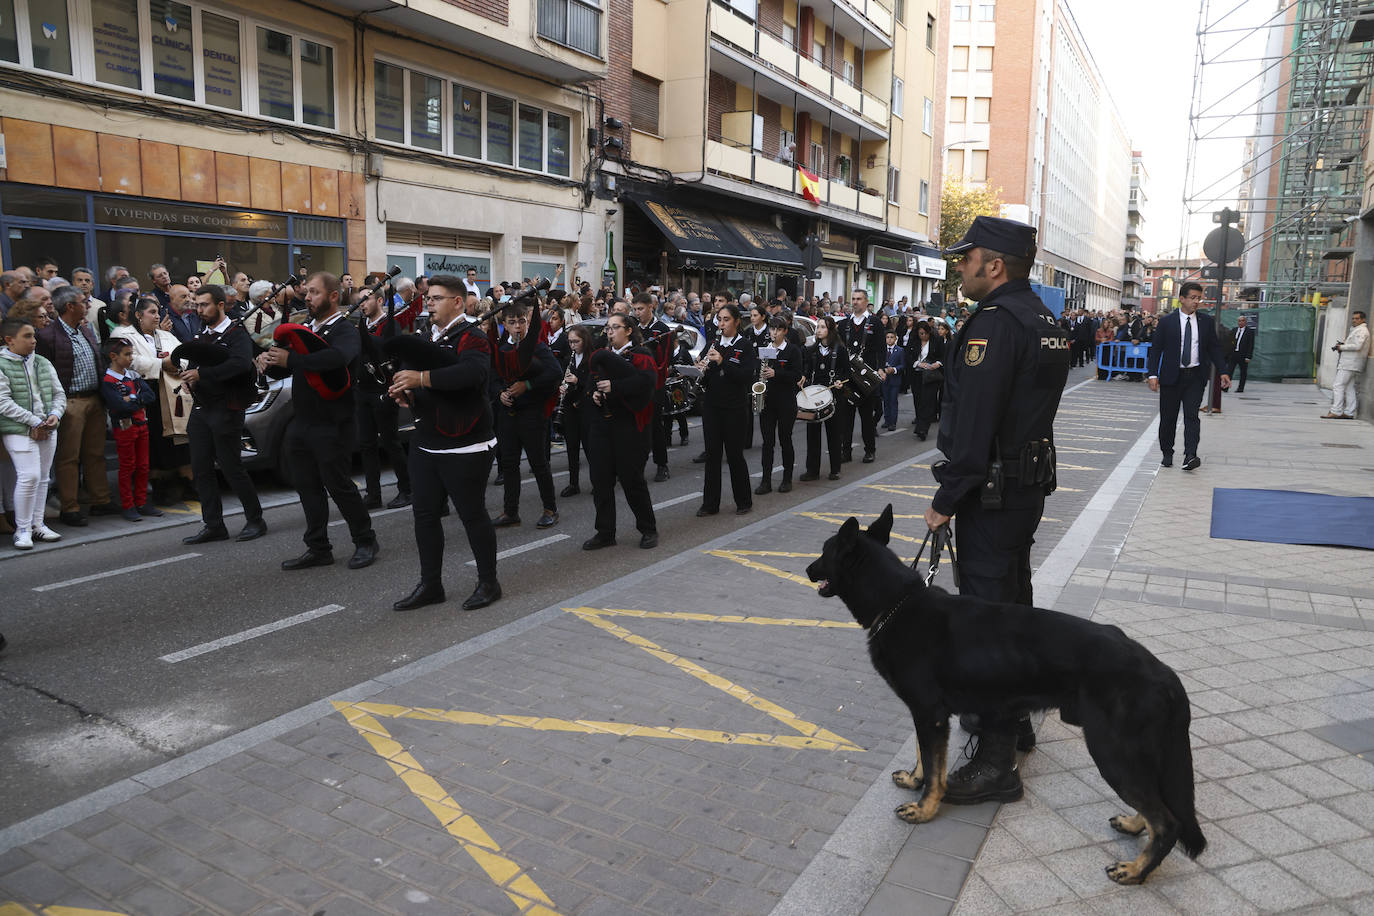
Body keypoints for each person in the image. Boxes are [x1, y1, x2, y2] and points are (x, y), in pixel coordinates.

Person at [924, 215, 1071, 805]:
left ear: (996, 265)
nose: (960, 265)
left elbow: (977, 425)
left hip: (992, 492)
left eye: (968, 257)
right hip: (1024, 489)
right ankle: (1016, 720)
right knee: (1014, 608)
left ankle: (994, 763)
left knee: (986, 625)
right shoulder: (1043, 318)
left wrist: (944, 500)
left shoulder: (995, 325)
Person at [386, 274, 501, 611]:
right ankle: (431, 584)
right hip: (427, 440)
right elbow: (409, 369)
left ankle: (488, 582)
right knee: (424, 515)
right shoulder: (426, 336)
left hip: (466, 443)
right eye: (427, 298)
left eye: (436, 298)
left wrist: (422, 378)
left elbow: (472, 375)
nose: (429, 304)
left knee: (472, 515)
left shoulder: (473, 337)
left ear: (457, 301)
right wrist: (405, 390)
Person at [258, 272, 378, 569]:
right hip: (302, 422)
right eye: (306, 292)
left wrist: (292, 360)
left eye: (314, 292)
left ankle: (365, 540)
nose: (307, 297)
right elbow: (287, 369)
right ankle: (318, 547)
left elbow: (337, 359)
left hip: (333, 422)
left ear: (333, 296)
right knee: (307, 486)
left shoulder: (345, 329)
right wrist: (269, 364)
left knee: (338, 485)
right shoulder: (305, 329)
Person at [179, 285, 266, 543]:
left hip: (227, 408)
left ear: (220, 305)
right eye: (196, 305)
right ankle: (213, 524)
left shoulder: (236, 333)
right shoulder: (202, 334)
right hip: (202, 409)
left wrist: (201, 375)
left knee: (231, 466)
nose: (199, 310)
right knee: (201, 467)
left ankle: (255, 520)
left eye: (204, 305)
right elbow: (196, 362)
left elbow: (239, 364)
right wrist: (189, 378)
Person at [36, 287, 114, 526]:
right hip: (69, 402)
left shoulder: (85, 329)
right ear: (70, 306)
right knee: (69, 458)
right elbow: (44, 374)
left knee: (95, 454)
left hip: (93, 399)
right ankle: (70, 507)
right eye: (82, 302)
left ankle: (101, 500)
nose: (87, 305)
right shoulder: (48, 335)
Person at [582, 314, 659, 549]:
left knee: (632, 480)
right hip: (602, 425)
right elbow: (590, 383)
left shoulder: (641, 355)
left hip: (628, 426)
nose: (610, 331)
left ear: (628, 331)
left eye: (615, 327)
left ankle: (648, 529)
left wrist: (614, 388)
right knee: (601, 481)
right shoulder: (602, 355)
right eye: (608, 328)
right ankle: (605, 532)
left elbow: (646, 384)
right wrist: (593, 393)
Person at [113, 297, 192, 504]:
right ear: (138, 315)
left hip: (172, 391)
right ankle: (160, 488)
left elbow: (183, 355)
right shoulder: (122, 334)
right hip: (146, 393)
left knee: (178, 440)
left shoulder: (166, 335)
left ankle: (185, 483)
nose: (157, 316)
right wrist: (161, 364)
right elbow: (131, 360)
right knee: (155, 443)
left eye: (158, 312)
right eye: (152, 312)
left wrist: (175, 364)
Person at [489, 303, 561, 529]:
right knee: (509, 464)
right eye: (512, 322)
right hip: (508, 416)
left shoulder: (537, 347)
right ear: (505, 325)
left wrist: (527, 385)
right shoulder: (501, 349)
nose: (518, 327)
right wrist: (500, 393)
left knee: (539, 463)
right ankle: (511, 511)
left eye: (522, 321)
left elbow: (554, 373)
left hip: (532, 413)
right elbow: (491, 379)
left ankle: (550, 508)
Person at [1147, 282, 1230, 470]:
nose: (1196, 302)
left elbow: (1214, 348)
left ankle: (1190, 455)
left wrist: (1223, 370)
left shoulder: (1206, 322)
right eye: (1192, 298)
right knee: (1168, 418)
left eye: (1198, 298)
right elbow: (1156, 350)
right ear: (1182, 299)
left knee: (1192, 416)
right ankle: (1167, 453)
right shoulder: (1167, 322)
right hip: (1170, 378)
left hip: (1195, 377)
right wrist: (1152, 374)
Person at [0, 317, 65, 549]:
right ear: (9, 340)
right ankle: (23, 529)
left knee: (43, 476)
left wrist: (55, 414)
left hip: (47, 427)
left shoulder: (42, 362)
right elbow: (3, 402)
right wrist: (35, 421)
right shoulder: (1, 363)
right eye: (27, 336)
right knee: (30, 476)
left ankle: (37, 525)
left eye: (33, 335)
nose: (33, 340)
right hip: (18, 429)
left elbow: (59, 394)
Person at [695, 303, 755, 516]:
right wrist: (698, 367)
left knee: (734, 455)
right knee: (712, 456)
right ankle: (710, 504)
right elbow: (703, 367)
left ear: (737, 321)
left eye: (726, 319)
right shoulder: (713, 342)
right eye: (719, 319)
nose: (721, 324)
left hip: (734, 407)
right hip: (712, 405)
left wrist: (722, 362)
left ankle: (744, 501)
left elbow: (746, 377)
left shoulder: (745, 345)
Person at [355, 288, 411, 510]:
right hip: (363, 391)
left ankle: (407, 489)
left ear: (379, 300)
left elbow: (388, 351)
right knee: (366, 444)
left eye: (366, 299)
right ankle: (373, 493)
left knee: (390, 442)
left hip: (384, 389)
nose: (361, 304)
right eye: (358, 301)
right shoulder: (362, 326)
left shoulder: (389, 324)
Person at [100, 338, 160, 522]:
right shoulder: (108, 380)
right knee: (127, 466)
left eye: (131, 353)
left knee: (143, 465)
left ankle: (141, 502)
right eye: (127, 354)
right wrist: (136, 400)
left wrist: (132, 399)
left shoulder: (133, 375)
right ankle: (128, 505)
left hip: (142, 425)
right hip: (124, 427)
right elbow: (118, 405)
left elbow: (150, 396)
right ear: (113, 356)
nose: (130, 357)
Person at [755, 316, 802, 494]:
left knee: (785, 440)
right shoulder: (765, 350)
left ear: (785, 331)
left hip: (786, 401)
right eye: (772, 329)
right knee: (767, 443)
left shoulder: (792, 351)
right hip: (767, 401)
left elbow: (797, 375)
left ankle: (787, 479)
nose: (774, 333)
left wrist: (777, 373)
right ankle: (766, 481)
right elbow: (757, 372)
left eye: (778, 330)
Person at [630, 293, 674, 481]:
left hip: (654, 384)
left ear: (650, 307)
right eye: (635, 309)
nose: (638, 313)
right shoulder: (631, 329)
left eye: (641, 309)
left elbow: (665, 359)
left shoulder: (662, 329)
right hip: (635, 384)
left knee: (655, 426)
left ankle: (661, 464)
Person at [800, 315, 850, 482]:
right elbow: (806, 371)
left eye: (822, 327)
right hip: (814, 397)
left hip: (833, 397)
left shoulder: (840, 350)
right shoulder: (811, 350)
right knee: (812, 435)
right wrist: (803, 379)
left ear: (830, 330)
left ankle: (835, 469)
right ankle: (812, 470)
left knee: (834, 434)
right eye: (818, 327)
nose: (818, 330)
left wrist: (839, 382)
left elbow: (847, 372)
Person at [838, 289, 883, 463]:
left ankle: (870, 450)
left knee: (866, 418)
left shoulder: (875, 323)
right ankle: (845, 451)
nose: (855, 302)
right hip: (848, 378)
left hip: (867, 378)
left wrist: (881, 369)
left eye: (859, 299)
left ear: (866, 301)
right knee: (846, 417)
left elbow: (881, 349)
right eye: (853, 299)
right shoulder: (843, 324)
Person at [558, 324, 596, 497]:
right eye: (570, 342)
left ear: (584, 340)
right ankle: (574, 483)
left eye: (576, 341)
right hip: (570, 408)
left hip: (586, 408)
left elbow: (593, 383)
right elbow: (564, 379)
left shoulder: (592, 359)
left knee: (590, 446)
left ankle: (598, 481)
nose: (573, 345)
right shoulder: (569, 359)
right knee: (571, 447)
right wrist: (563, 387)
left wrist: (577, 381)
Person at [1325, 310, 1369, 419]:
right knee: (1349, 388)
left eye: (1357, 318)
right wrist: (1343, 345)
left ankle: (1336, 410)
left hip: (1350, 364)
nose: (1354, 320)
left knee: (1338, 385)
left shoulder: (1362, 331)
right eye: (1353, 318)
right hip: (1350, 363)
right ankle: (1349, 412)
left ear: (1363, 319)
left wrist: (1342, 347)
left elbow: (1357, 346)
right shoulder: (1356, 330)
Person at [909, 322, 944, 441]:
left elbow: (943, 355)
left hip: (931, 375)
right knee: (918, 400)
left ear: (929, 332)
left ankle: (923, 428)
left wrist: (937, 364)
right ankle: (919, 423)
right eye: (920, 333)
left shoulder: (937, 340)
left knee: (928, 401)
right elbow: (908, 355)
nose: (922, 336)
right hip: (917, 374)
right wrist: (918, 363)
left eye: (924, 333)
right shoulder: (913, 340)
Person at [879, 329, 905, 431]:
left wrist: (894, 369)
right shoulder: (882, 350)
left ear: (895, 338)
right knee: (886, 400)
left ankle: (893, 422)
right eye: (887, 337)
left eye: (891, 337)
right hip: (884, 379)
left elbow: (903, 365)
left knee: (893, 400)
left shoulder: (900, 350)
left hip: (895, 379)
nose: (889, 339)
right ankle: (887, 419)